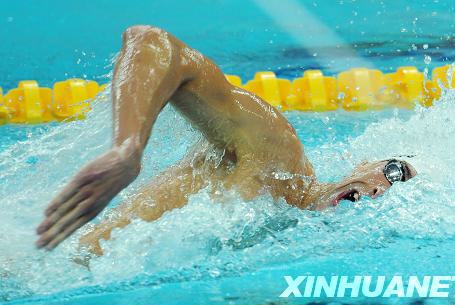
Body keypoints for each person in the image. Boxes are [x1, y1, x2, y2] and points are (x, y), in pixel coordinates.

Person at [36, 25, 417, 254]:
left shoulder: (283, 229)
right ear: (362, 164)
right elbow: (152, 42)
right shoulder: (276, 152)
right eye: (395, 172)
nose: (382, 192)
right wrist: (127, 148)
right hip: (45, 263)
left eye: (400, 194)